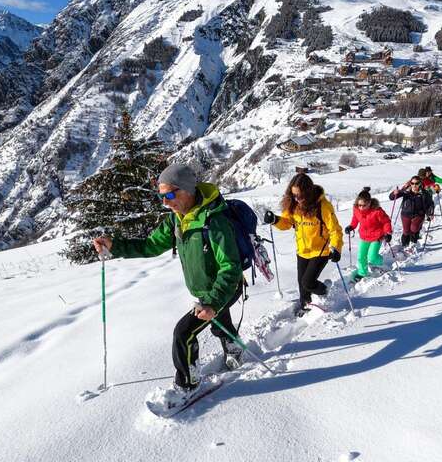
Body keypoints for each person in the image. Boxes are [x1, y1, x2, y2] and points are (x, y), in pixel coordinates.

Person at [92, 163, 244, 403]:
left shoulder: (214, 222)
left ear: (187, 190)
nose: (165, 201)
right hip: (205, 291)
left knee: (183, 333)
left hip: (225, 288)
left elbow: (230, 267)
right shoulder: (177, 220)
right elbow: (150, 245)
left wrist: (213, 301)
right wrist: (115, 246)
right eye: (161, 196)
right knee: (218, 323)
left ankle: (188, 383)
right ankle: (234, 346)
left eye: (170, 195)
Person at [263, 173, 343, 315]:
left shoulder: (323, 206)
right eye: (294, 195)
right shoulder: (293, 205)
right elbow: (287, 223)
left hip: (320, 250)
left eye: (300, 195)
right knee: (302, 284)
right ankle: (304, 305)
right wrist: (275, 220)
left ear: (308, 192)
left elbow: (335, 230)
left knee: (308, 282)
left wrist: (336, 248)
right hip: (302, 250)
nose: (297, 198)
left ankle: (324, 290)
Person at [344, 187, 392, 282]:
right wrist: (351, 226)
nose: (361, 207)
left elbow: (386, 222)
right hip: (364, 236)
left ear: (369, 203)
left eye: (364, 205)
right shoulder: (356, 209)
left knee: (372, 257)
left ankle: (381, 262)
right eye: (359, 205)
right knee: (361, 257)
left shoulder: (377, 211)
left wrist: (388, 233)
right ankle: (362, 273)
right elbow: (355, 218)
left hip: (377, 236)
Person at [389, 175, 434, 247]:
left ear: (420, 183)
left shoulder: (424, 193)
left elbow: (430, 204)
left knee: (414, 229)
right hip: (405, 214)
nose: (414, 185)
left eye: (416, 183)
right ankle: (404, 245)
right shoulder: (406, 191)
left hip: (419, 214)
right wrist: (394, 193)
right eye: (412, 183)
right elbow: (391, 197)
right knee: (406, 231)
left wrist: (430, 213)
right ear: (410, 183)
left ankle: (413, 244)